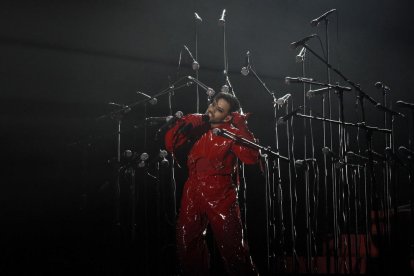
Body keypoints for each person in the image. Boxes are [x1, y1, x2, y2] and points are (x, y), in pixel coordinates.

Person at [164, 92, 259, 275]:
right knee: (186, 241)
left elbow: (251, 157)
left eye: (219, 109)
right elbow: (170, 144)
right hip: (193, 188)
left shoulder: (232, 133)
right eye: (213, 104)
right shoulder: (199, 127)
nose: (212, 110)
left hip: (219, 192)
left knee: (232, 247)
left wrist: (241, 126)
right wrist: (185, 122)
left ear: (228, 116)